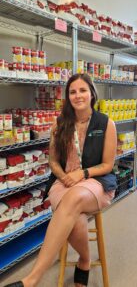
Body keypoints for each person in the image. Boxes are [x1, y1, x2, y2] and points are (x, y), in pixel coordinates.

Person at [4, 73, 117, 287]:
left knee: (73, 200)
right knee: (75, 218)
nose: (78, 95)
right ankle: (84, 260)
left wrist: (81, 174)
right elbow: (53, 161)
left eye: (83, 90)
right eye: (72, 92)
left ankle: (32, 279)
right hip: (63, 183)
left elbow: (107, 165)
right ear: (67, 97)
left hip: (96, 182)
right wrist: (65, 176)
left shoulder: (106, 123)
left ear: (92, 93)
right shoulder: (60, 124)